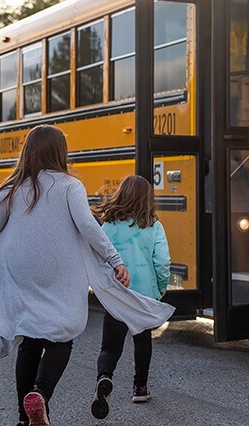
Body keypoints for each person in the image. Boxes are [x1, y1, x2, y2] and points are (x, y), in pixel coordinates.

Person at [0, 125, 174, 426]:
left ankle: (24, 417)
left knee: (31, 340)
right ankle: (41, 394)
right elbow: (88, 227)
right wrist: (114, 260)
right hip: (58, 271)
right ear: (61, 152)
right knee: (63, 335)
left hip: (19, 271)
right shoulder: (70, 186)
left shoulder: (10, 187)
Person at [90, 175, 171, 419]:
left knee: (110, 346)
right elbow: (162, 261)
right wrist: (161, 286)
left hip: (117, 294)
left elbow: (97, 255)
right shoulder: (153, 225)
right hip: (143, 293)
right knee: (142, 340)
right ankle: (140, 388)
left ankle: (104, 377)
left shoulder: (109, 225)